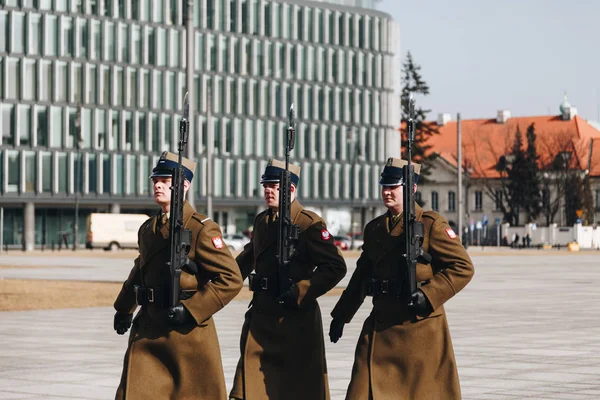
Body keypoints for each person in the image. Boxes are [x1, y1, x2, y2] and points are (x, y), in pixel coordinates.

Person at [329, 157, 475, 400]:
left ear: (412, 188)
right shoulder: (375, 228)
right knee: (360, 390)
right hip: (381, 324)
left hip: (419, 330)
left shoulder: (431, 225)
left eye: (393, 187)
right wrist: (341, 315)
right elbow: (362, 276)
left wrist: (429, 295)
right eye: (384, 186)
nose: (387, 192)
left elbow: (463, 267)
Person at [113, 151, 243, 399]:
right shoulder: (148, 228)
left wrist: (193, 310)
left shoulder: (201, 228)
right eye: (155, 180)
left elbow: (231, 278)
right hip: (150, 328)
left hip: (186, 335)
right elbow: (139, 271)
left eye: (163, 180)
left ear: (183, 185)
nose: (157, 185)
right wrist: (123, 308)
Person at [229, 158, 347, 400]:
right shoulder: (263, 221)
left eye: (274, 186)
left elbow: (335, 267)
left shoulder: (308, 223)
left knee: (295, 391)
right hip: (262, 317)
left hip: (295, 320)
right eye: (266, 186)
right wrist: (216, 285)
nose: (268, 191)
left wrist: (299, 291)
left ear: (290, 189)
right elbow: (245, 260)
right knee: (247, 391)